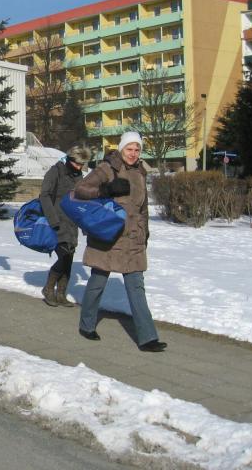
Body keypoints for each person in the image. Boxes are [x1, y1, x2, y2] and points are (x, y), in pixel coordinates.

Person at [74, 131, 167, 352]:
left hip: (133, 239)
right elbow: (80, 190)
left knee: (136, 287)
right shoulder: (107, 168)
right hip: (108, 236)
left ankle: (148, 338)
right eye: (129, 149)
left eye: (137, 149)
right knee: (97, 283)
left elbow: (143, 209)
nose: (133, 153)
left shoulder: (141, 171)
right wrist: (106, 190)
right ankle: (86, 325)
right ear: (121, 148)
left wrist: (145, 233)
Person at [39, 144, 92, 307]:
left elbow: (80, 200)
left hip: (72, 223)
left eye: (82, 164)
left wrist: (85, 224)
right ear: (69, 159)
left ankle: (61, 293)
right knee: (64, 256)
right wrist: (52, 219)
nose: (79, 167)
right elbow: (44, 195)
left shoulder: (78, 175)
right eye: (77, 163)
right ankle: (48, 288)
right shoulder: (55, 171)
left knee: (69, 258)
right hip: (56, 222)